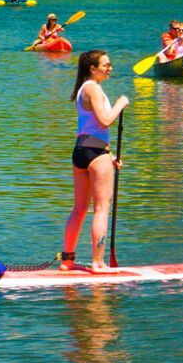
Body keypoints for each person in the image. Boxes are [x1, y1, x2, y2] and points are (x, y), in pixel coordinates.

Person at [61, 51, 129, 272]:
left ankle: (67, 261)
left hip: (82, 151)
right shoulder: (93, 88)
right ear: (93, 68)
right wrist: (120, 104)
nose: (110, 68)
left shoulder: (83, 88)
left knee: (80, 208)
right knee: (101, 208)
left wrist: (109, 157)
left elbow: (90, 128)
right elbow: (105, 121)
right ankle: (98, 263)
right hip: (95, 154)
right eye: (106, 65)